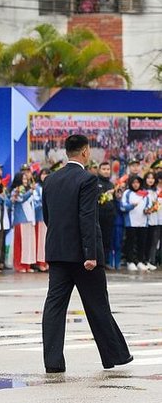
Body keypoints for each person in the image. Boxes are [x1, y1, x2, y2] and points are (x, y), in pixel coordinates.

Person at [41, 134, 132, 373]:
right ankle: (115, 355)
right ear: (84, 152)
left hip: (58, 253)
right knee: (98, 306)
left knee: (54, 308)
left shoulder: (50, 180)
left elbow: (47, 218)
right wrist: (91, 254)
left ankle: (53, 363)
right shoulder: (87, 180)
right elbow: (88, 219)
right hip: (83, 257)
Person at [120, 174, 149, 271]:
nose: (136, 185)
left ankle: (140, 261)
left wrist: (148, 210)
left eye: (137, 182)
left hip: (143, 222)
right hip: (131, 222)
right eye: (134, 183)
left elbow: (148, 205)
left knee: (142, 242)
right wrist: (131, 206)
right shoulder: (127, 193)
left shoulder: (144, 193)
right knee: (130, 242)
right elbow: (122, 207)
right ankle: (130, 261)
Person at [11, 170, 37, 273]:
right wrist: (30, 191)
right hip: (20, 220)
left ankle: (27, 265)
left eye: (26, 179)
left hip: (30, 219)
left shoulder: (28, 190)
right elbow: (21, 199)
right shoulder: (16, 191)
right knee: (20, 244)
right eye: (23, 179)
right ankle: (19, 265)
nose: (25, 181)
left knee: (28, 244)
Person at [96, 162, 118, 268]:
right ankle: (98, 261)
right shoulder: (95, 182)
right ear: (99, 170)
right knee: (98, 240)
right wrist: (105, 195)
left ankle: (105, 262)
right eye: (104, 169)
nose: (106, 171)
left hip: (109, 216)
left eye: (108, 169)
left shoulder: (111, 184)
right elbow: (97, 199)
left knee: (107, 239)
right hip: (99, 216)